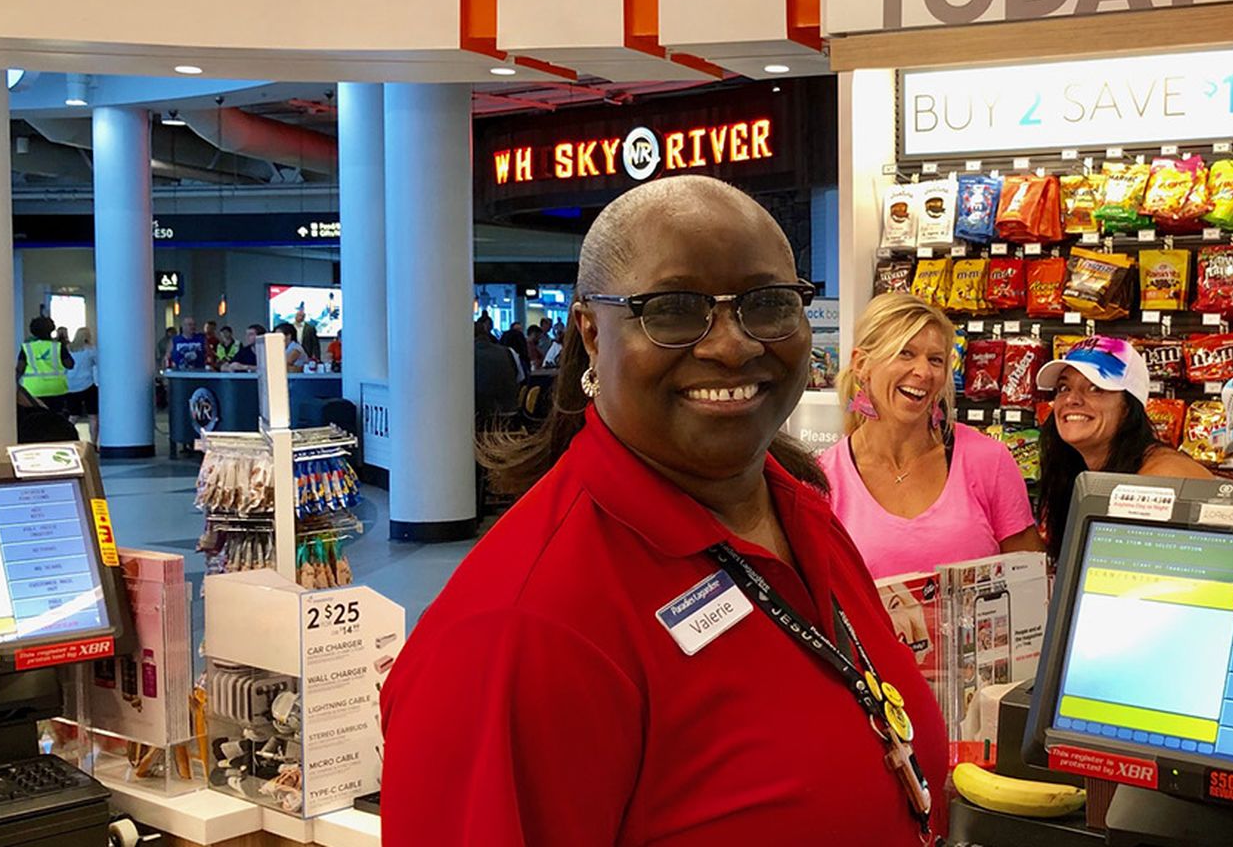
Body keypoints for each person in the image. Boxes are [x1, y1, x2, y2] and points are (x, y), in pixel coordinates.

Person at [383, 176, 943, 845]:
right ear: (592, 332)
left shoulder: (802, 513)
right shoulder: (519, 629)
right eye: (674, 309)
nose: (733, 345)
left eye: (767, 303)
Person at [819, 292, 1041, 579]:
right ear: (861, 364)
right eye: (905, 353)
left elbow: (1031, 581)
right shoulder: (824, 479)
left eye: (935, 360)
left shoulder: (988, 460)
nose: (924, 372)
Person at [1032, 336, 1213, 562]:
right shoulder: (1079, 473)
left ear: (1128, 407)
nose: (1071, 399)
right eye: (1063, 387)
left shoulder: (1162, 478)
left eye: (1095, 388)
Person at [17, 315, 73, 414]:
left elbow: (19, 369)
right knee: (56, 417)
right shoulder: (58, 346)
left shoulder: (27, 347)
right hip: (57, 388)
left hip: (33, 389)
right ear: (52, 329)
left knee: (36, 417)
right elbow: (70, 365)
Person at [473, 318, 519, 421]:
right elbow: (519, 377)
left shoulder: (469, 355)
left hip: (483, 416)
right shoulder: (506, 352)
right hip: (511, 412)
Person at [64, 327, 99, 440]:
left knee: (73, 416)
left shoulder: (68, 349)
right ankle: (93, 442)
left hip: (71, 385)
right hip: (88, 384)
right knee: (93, 416)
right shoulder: (91, 350)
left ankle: (66, 437)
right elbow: (99, 363)